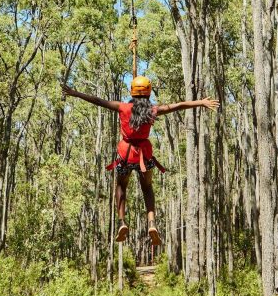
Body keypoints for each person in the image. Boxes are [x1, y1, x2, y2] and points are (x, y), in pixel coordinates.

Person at [61, 76, 219, 246]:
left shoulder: (122, 107)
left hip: (126, 154)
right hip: (144, 154)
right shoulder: (153, 110)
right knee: (147, 188)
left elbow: (98, 100)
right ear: (149, 91)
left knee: (121, 186)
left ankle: (122, 222)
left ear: (132, 92)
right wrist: (200, 102)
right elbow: (177, 106)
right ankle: (151, 222)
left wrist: (75, 93)